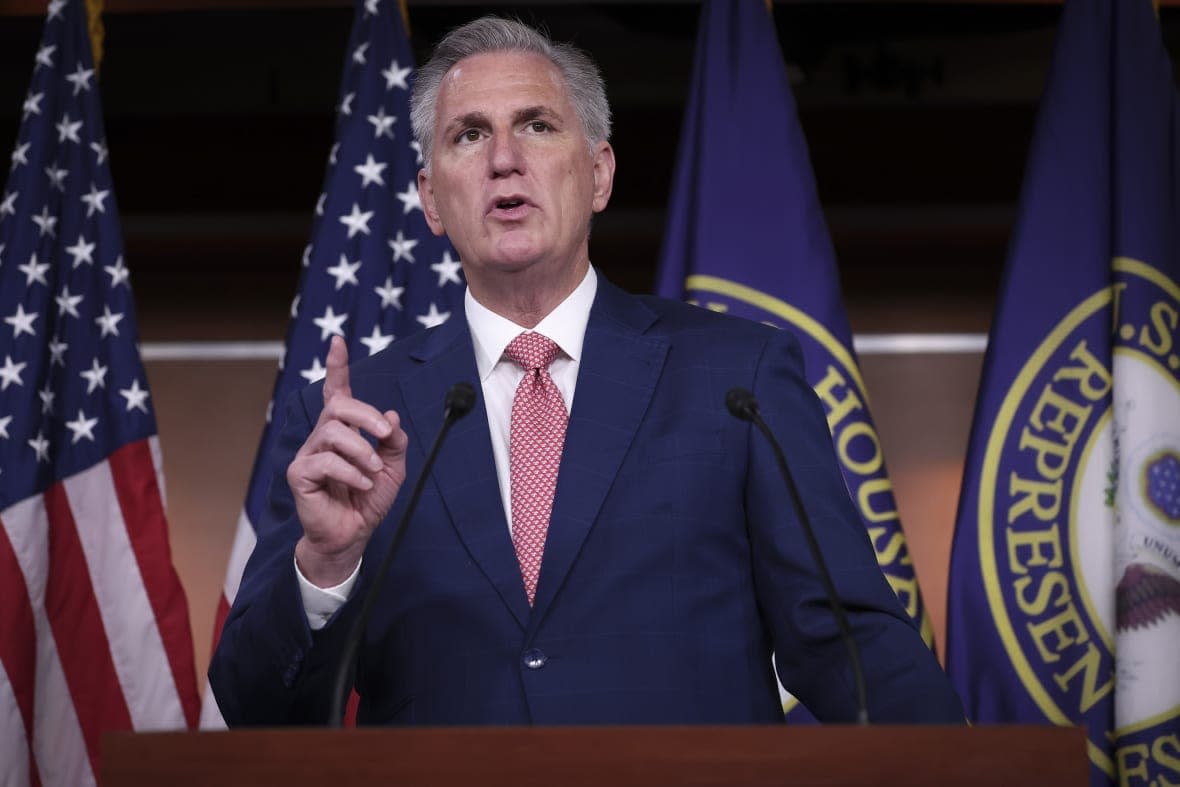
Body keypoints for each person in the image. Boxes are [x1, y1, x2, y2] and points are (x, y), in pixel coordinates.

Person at [209, 16, 964, 726]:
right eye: (469, 135)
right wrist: (326, 562)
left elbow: (849, 647)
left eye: (537, 125)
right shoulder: (355, 414)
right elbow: (253, 706)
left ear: (599, 174)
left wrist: (975, 764)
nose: (505, 158)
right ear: (431, 200)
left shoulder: (738, 380)